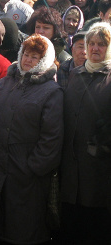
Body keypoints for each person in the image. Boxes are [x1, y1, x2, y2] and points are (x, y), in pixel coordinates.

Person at [0, 34, 63, 245]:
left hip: (29, 177)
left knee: (25, 230)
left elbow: (52, 138)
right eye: (26, 54)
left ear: (45, 60)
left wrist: (33, 167)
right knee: (0, 225)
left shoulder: (51, 91)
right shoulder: (4, 84)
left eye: (35, 57)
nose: (28, 60)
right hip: (1, 168)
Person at [60, 23, 111, 244]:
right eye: (91, 43)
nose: (95, 48)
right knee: (72, 226)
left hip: (100, 169)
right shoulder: (74, 74)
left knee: (97, 227)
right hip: (71, 169)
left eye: (102, 44)